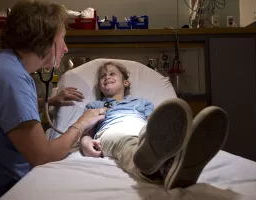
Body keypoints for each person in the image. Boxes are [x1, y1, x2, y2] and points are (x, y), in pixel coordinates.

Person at [0, 1, 107, 199]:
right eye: (63, 38)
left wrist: (49, 101)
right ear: (45, 39)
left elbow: (0, 111)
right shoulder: (11, 78)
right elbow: (42, 156)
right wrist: (81, 123)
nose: (65, 49)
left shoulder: (0, 67)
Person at [80, 61, 229, 191]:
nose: (107, 77)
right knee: (127, 143)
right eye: (102, 76)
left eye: (112, 73)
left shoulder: (142, 102)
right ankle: (152, 169)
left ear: (126, 82)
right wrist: (85, 143)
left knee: (151, 136)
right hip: (112, 131)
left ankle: (182, 151)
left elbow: (155, 124)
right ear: (100, 86)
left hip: (143, 130)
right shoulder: (95, 105)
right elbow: (87, 131)